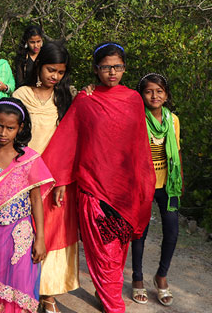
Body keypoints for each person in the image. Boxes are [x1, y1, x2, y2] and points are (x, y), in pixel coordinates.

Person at [41, 42, 156, 313]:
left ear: (125, 68)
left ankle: (107, 292)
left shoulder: (133, 100)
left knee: (117, 253)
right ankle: (114, 305)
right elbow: (70, 140)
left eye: (117, 66)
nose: (112, 72)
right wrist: (60, 180)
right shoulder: (86, 100)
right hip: (94, 192)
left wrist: (143, 186)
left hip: (125, 193)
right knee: (104, 253)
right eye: (106, 67)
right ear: (96, 69)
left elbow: (140, 147)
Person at [0, 97, 54, 313]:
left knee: (20, 287)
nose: (3, 132)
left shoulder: (29, 160)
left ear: (20, 128)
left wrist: (40, 238)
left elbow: (36, 201)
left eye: (10, 128)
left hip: (21, 235)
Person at [13, 43, 77, 312]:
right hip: (21, 175)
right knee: (21, 233)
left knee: (51, 234)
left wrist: (62, 179)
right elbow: (6, 131)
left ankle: (47, 293)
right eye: (51, 70)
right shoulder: (22, 94)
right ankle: (20, 286)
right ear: (39, 66)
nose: (55, 77)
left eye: (61, 72)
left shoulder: (64, 101)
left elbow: (70, 141)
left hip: (53, 178)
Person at [131, 73, 183, 307]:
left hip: (168, 184)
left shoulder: (173, 121)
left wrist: (180, 178)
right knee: (140, 232)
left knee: (172, 232)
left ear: (167, 95)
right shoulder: (136, 118)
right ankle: (138, 279)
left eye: (159, 91)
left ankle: (161, 276)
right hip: (142, 183)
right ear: (141, 95)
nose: (155, 95)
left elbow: (177, 151)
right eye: (149, 91)